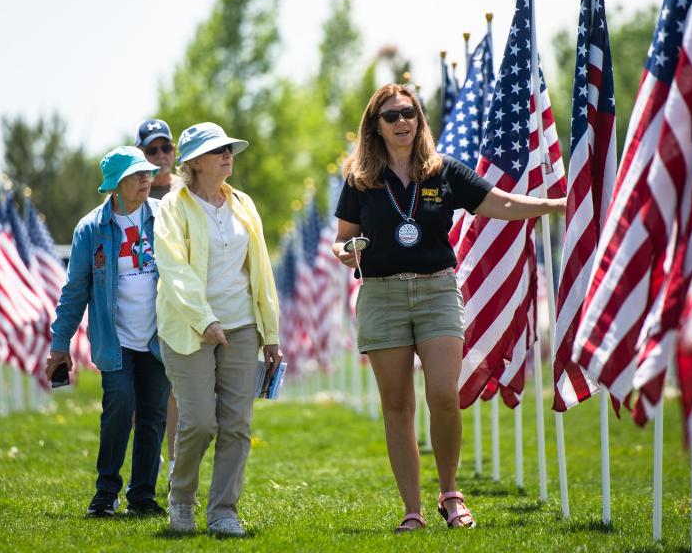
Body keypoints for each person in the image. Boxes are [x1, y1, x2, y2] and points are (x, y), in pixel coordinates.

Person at [332, 84, 565, 532]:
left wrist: (553, 204)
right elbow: (344, 237)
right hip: (381, 295)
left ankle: (450, 493)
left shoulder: (443, 172)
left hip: (438, 290)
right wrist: (345, 251)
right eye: (391, 116)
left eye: (409, 113)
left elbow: (501, 202)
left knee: (443, 394)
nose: (403, 122)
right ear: (375, 127)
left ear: (419, 120)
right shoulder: (360, 179)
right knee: (397, 405)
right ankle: (412, 510)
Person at [154, 122, 283, 537]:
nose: (227, 155)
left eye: (229, 148)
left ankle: (224, 511)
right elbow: (173, 270)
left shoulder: (243, 203)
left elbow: (261, 271)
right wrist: (204, 319)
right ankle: (181, 499)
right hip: (188, 327)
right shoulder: (173, 207)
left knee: (238, 425)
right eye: (217, 151)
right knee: (199, 423)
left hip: (242, 325)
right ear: (193, 162)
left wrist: (271, 333)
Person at [45, 146, 171, 518]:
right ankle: (106, 492)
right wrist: (59, 343)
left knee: (153, 415)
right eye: (137, 175)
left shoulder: (164, 217)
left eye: (148, 173)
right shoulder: (91, 229)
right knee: (119, 405)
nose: (146, 179)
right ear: (116, 185)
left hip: (158, 338)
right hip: (114, 341)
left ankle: (143, 496)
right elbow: (75, 291)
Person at [136, 118, 183, 477]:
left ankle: (175, 468)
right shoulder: (132, 195)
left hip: (181, 298)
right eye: (152, 149)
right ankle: (147, 467)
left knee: (178, 389)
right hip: (143, 301)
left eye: (166, 147)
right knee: (145, 392)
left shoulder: (187, 190)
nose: (161, 155)